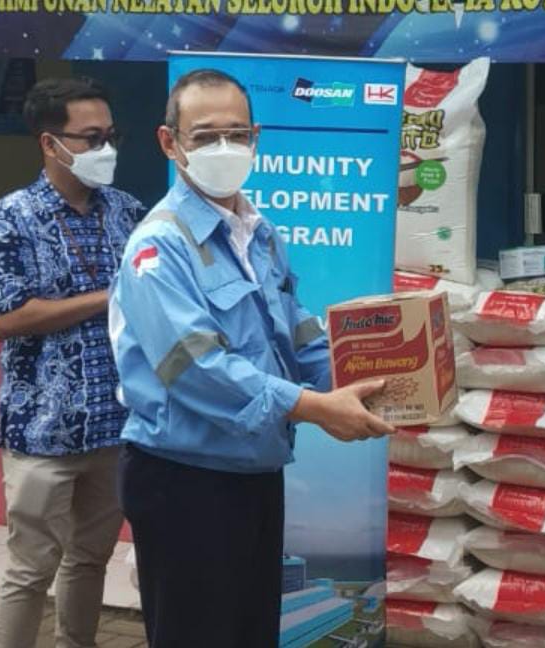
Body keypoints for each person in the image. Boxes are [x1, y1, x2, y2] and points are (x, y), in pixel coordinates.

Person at [108, 68, 395, 648]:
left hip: (253, 471)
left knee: (251, 632)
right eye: (206, 135)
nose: (225, 148)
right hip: (184, 479)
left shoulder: (257, 233)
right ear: (170, 143)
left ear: (256, 137)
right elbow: (194, 368)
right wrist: (315, 407)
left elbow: (297, 330)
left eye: (236, 134)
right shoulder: (158, 245)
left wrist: (368, 377)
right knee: (199, 635)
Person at [0, 77, 142, 648]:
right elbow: (9, 317)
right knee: (30, 568)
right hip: (43, 429)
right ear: (51, 143)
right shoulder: (10, 218)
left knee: (90, 558)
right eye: (92, 138)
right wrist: (111, 295)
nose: (107, 149)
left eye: (112, 136)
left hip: (114, 423)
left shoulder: (126, 211)